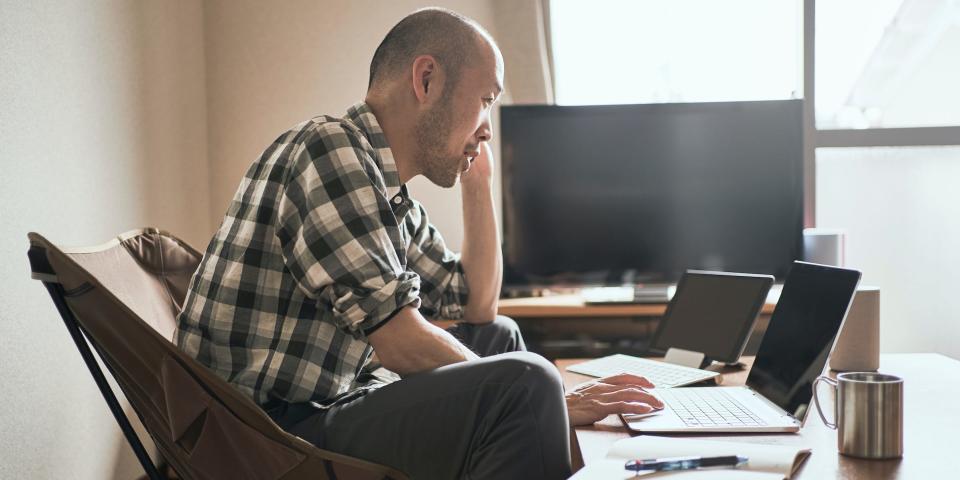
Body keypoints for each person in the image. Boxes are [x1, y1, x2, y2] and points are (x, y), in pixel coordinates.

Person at [176, 8, 662, 479]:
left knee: (502, 338)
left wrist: (478, 186)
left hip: (320, 404)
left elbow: (477, 305)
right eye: (486, 99)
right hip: (263, 437)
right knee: (528, 382)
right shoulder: (328, 149)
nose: (488, 127)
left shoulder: (388, 196)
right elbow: (399, 340)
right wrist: (556, 397)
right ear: (426, 80)